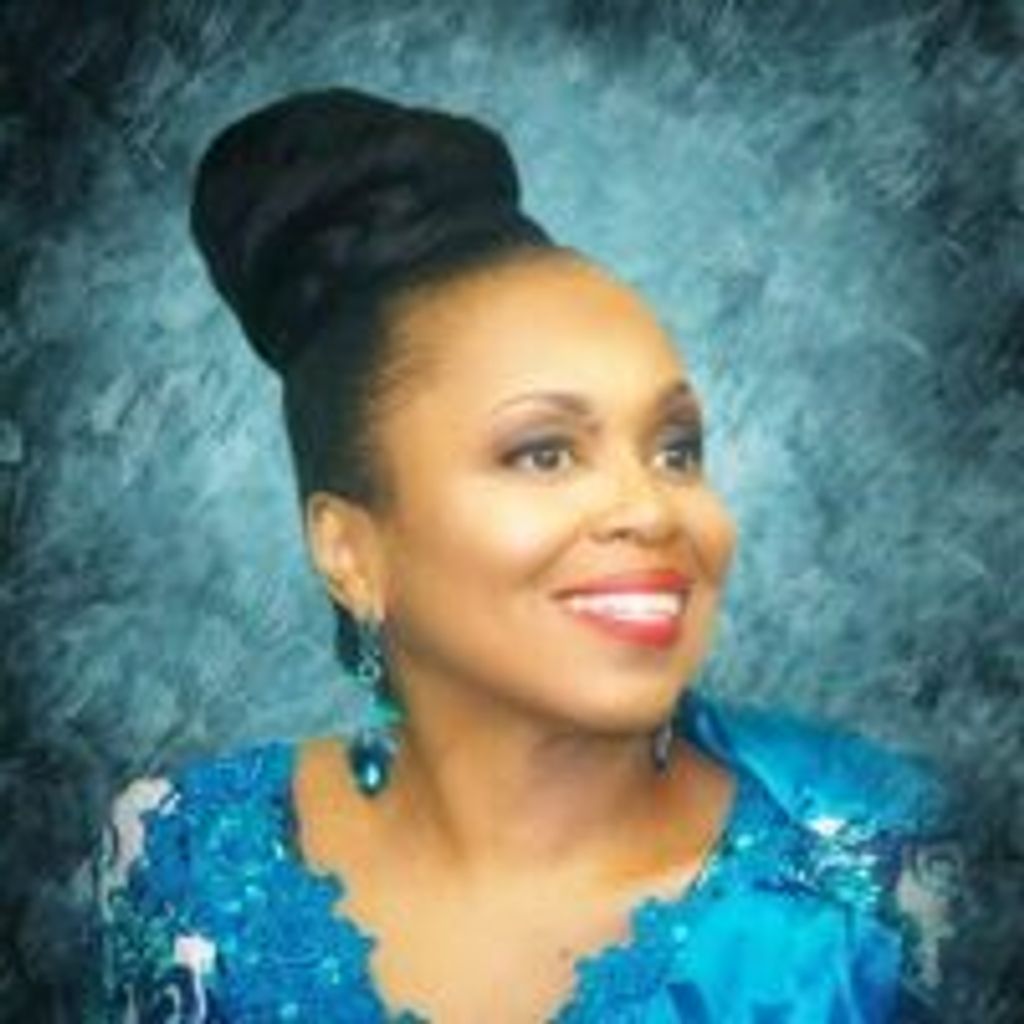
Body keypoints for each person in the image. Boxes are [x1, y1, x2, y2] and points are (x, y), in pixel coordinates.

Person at [89, 87, 961, 1023]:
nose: (652, 509)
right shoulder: (174, 861)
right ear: (350, 552)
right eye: (544, 452)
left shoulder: (882, 879)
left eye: (675, 450)